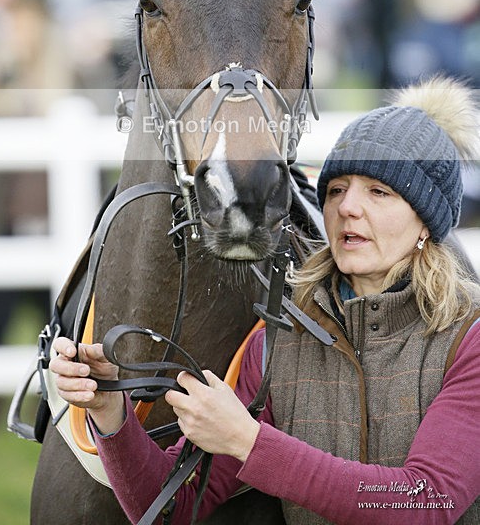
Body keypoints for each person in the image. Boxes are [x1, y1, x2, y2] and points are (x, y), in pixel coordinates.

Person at [51, 76, 480, 524]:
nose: (347, 208)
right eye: (336, 190)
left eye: (379, 192)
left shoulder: (468, 340)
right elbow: (169, 509)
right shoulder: (275, 344)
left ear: (425, 222)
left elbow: (426, 504)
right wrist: (110, 414)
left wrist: (248, 442)